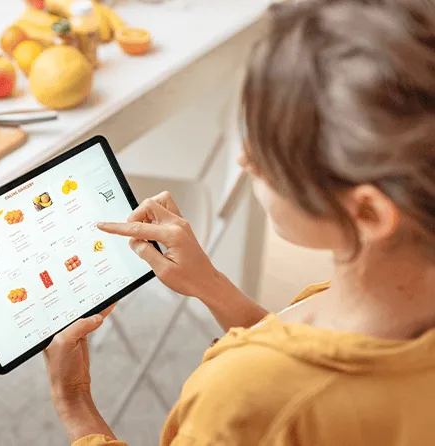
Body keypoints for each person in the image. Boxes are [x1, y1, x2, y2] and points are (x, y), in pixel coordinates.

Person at [43, 0, 435, 444]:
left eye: (268, 152)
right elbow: (312, 356)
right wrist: (209, 284)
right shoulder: (401, 301)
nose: (243, 158)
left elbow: (289, 385)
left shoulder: (240, 401)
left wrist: (75, 405)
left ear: (368, 213)